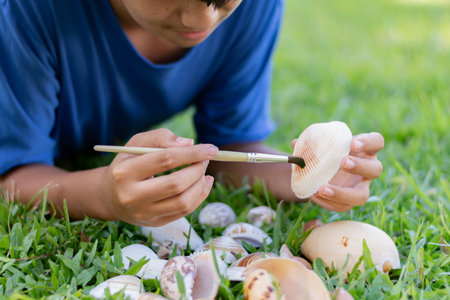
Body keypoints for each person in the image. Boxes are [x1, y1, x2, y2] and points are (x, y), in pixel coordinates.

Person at [0, 0, 384, 227]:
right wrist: (101, 196)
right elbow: (13, 175)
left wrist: (313, 173)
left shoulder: (253, 7)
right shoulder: (26, 11)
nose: (201, 22)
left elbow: (231, 145)